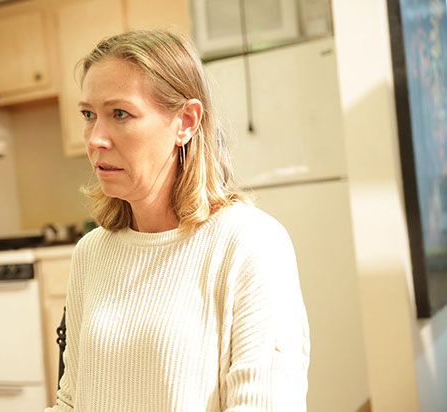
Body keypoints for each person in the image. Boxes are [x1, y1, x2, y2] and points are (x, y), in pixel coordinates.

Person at [46, 29, 310, 412]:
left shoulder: (251, 243)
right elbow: (71, 401)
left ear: (185, 122)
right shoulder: (91, 253)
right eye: (89, 115)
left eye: (120, 114)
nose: (94, 139)